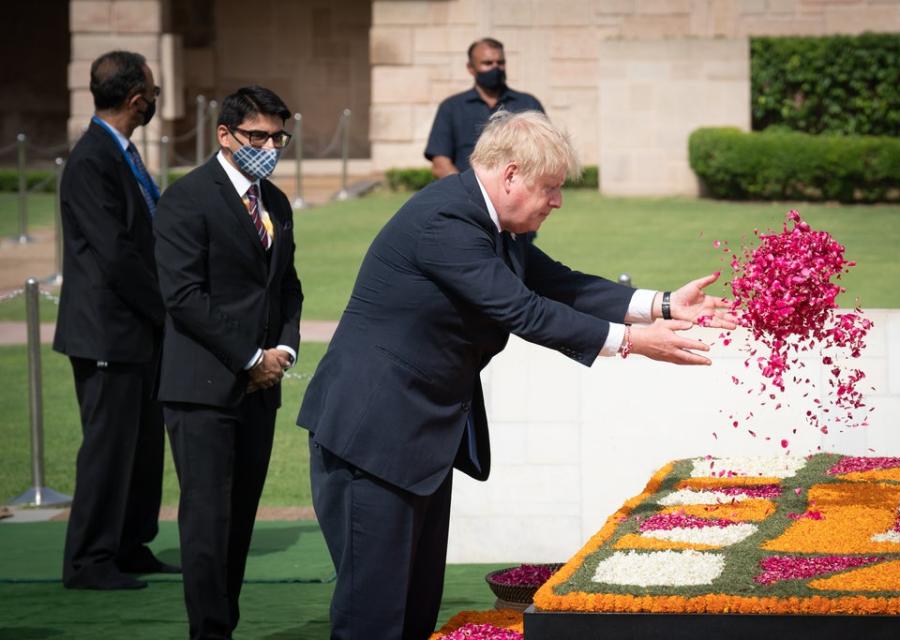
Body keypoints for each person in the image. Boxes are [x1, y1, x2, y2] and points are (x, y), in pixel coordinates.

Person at [297, 110, 737, 639]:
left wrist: (661, 306)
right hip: (371, 439)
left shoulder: (492, 223)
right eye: (550, 187)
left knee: (414, 612)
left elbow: (558, 283)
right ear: (510, 176)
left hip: (416, 440)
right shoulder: (447, 222)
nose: (557, 201)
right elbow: (523, 310)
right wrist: (633, 343)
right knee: (373, 618)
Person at [153, 85, 303, 639]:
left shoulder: (277, 203)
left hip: (261, 390)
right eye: (257, 135)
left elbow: (287, 288)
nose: (269, 145)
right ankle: (209, 633)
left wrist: (283, 350)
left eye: (277, 136)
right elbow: (184, 297)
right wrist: (248, 357)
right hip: (202, 387)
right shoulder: (186, 197)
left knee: (239, 522)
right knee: (207, 523)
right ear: (225, 135)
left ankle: (225, 625)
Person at [56, 49, 176, 591]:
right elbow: (115, 253)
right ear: (135, 99)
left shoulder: (120, 152)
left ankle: (130, 543)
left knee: (143, 444)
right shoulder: (92, 160)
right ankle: (89, 560)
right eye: (152, 92)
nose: (154, 100)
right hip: (108, 328)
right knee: (108, 449)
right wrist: (166, 308)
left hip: (137, 330)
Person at [425, 37, 544, 179]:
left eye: (500, 63)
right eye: (487, 63)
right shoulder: (451, 107)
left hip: (520, 192)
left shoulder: (528, 104)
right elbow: (440, 164)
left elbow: (546, 153)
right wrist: (468, 191)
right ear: (471, 68)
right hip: (467, 195)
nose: (495, 68)